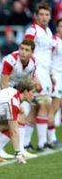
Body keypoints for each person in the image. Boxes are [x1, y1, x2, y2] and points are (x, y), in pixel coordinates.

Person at [0, 77, 35, 164]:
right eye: (32, 92)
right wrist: (18, 153)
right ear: (25, 92)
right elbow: (14, 131)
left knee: (16, 121)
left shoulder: (11, 91)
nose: (33, 95)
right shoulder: (13, 101)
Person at [23, 2, 53, 151]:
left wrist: (51, 75)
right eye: (41, 14)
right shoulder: (32, 30)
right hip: (37, 72)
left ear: (50, 16)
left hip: (46, 72)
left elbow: (48, 55)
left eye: (47, 14)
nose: (44, 17)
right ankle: (41, 143)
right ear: (36, 16)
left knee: (36, 108)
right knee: (43, 105)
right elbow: (25, 51)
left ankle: (26, 143)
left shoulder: (48, 32)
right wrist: (34, 76)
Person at [47, 18, 62, 148]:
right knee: (54, 108)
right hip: (55, 77)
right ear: (57, 28)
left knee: (56, 107)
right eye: (61, 26)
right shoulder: (54, 42)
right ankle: (51, 139)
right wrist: (50, 74)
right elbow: (48, 58)